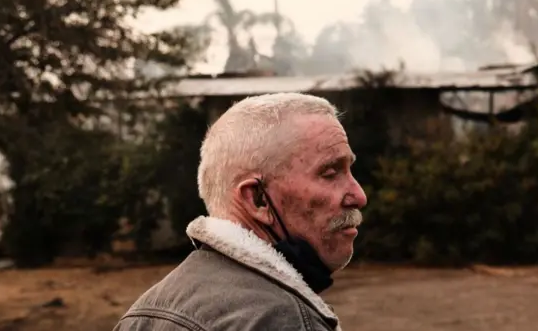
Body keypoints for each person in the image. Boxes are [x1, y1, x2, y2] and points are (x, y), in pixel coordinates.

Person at [113, 92, 367, 331]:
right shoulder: (283, 320)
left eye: (349, 170)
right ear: (258, 199)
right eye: (330, 173)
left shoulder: (143, 314)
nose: (359, 196)